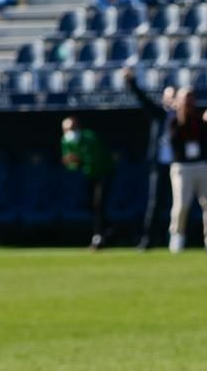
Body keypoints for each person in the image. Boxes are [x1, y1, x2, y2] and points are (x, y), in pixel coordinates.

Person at [123, 68, 175, 250]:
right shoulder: (160, 115)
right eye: (168, 96)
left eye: (174, 96)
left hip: (178, 165)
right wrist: (131, 82)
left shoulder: (183, 118)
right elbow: (143, 100)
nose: (171, 100)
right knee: (154, 202)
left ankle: (176, 239)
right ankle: (148, 239)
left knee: (178, 204)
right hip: (159, 164)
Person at [169, 87, 207, 253]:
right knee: (182, 204)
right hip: (182, 167)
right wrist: (180, 112)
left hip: (201, 165)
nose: (189, 103)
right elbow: (175, 139)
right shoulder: (174, 120)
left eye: (191, 99)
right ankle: (177, 236)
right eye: (186, 99)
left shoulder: (199, 120)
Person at [60, 116, 113, 250]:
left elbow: (93, 160)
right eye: (65, 130)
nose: (69, 132)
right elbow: (71, 166)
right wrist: (71, 162)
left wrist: (78, 159)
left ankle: (100, 236)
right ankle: (103, 232)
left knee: (99, 204)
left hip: (103, 173)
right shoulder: (66, 141)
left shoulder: (90, 137)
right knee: (91, 205)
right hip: (88, 176)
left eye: (71, 128)